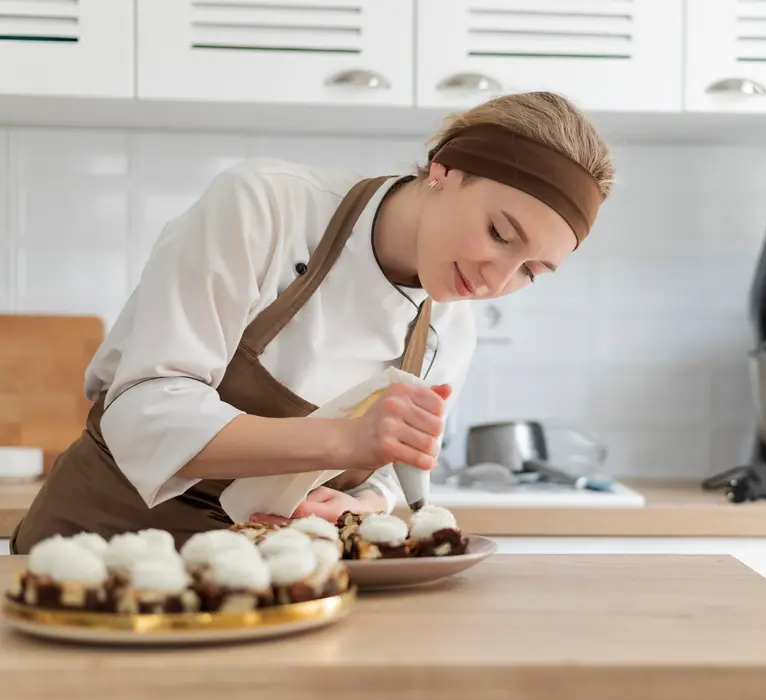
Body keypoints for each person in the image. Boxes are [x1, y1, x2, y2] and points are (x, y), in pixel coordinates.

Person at [11, 91, 615, 554]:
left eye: (531, 270)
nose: (496, 281)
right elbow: (141, 414)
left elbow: (386, 479)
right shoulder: (265, 206)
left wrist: (350, 504)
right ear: (444, 170)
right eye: (499, 234)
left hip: (272, 583)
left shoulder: (449, 332)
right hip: (100, 550)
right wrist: (341, 441)